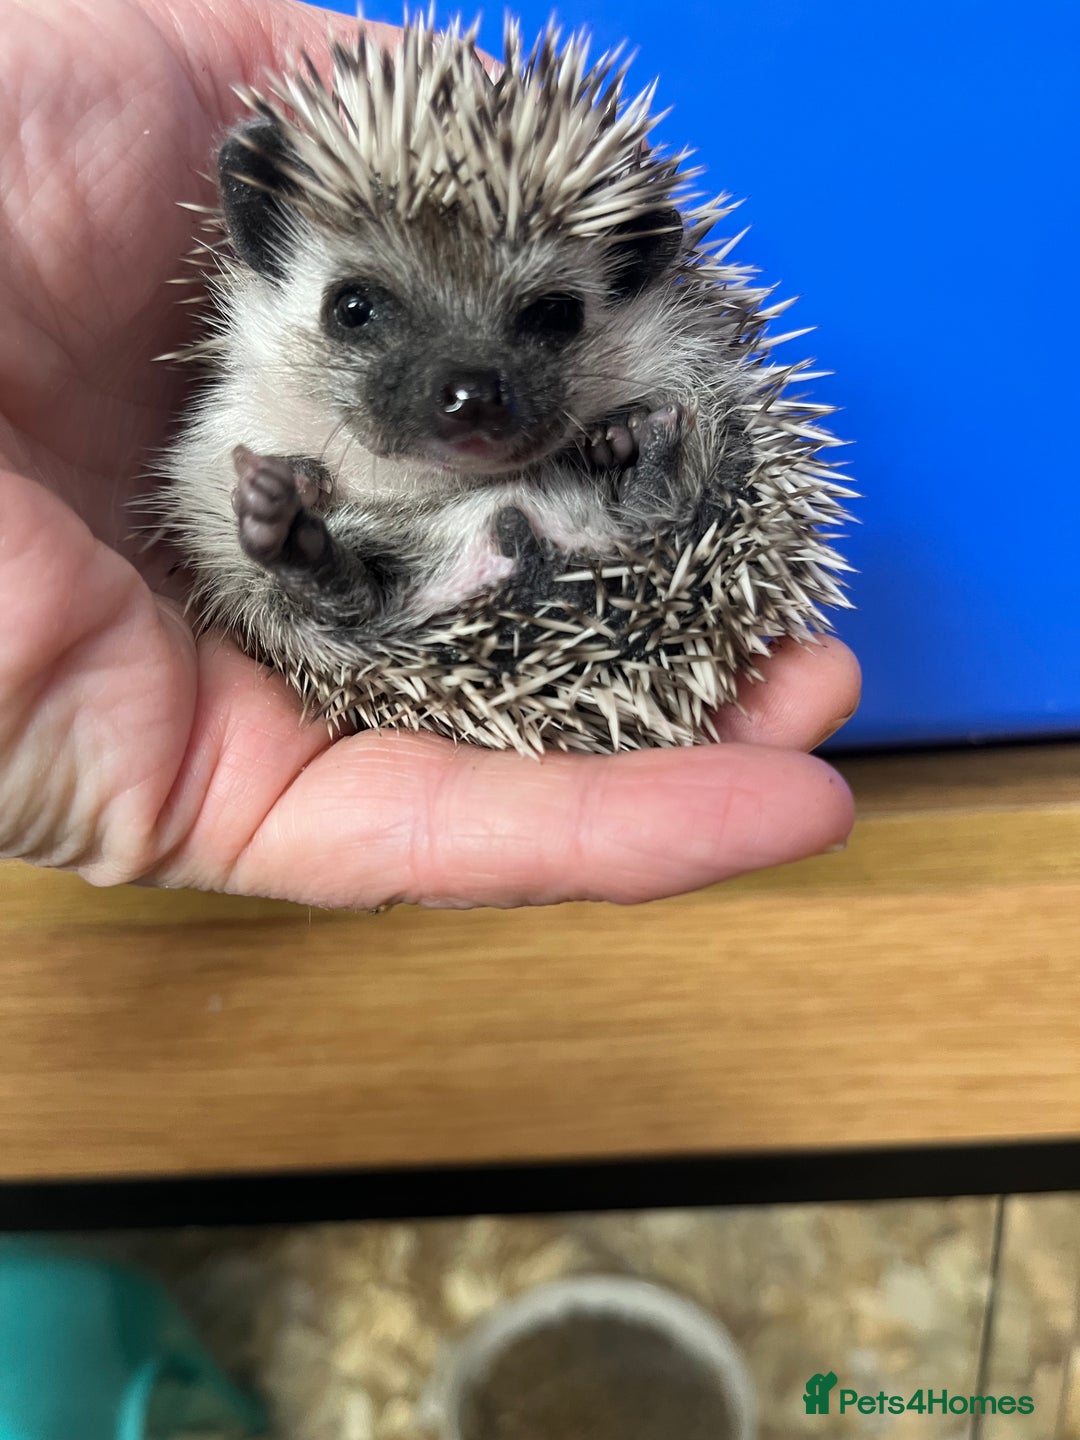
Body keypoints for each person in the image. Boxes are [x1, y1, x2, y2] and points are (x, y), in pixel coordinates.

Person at [0, 0, 860, 909]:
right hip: (404, 590)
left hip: (565, 557)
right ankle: (340, 572)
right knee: (249, 533)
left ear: (636, 270)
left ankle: (359, 558)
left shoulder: (664, 359)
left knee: (693, 450)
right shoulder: (257, 391)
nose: (468, 388)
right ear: (264, 244)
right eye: (361, 310)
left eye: (548, 316)